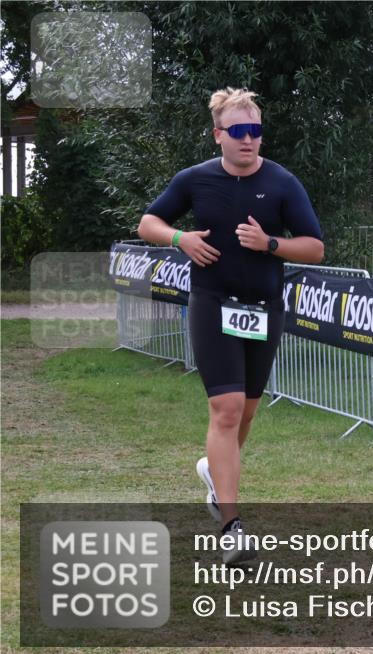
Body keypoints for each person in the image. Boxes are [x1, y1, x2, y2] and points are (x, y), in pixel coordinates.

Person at [138, 88, 324, 564]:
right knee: (225, 409)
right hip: (212, 303)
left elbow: (314, 248)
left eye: (255, 131)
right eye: (238, 132)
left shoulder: (283, 182)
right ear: (219, 134)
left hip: (263, 308)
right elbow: (148, 223)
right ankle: (231, 526)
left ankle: (214, 473)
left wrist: (270, 245)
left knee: (245, 413)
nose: (248, 140)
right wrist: (179, 238)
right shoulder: (195, 179)